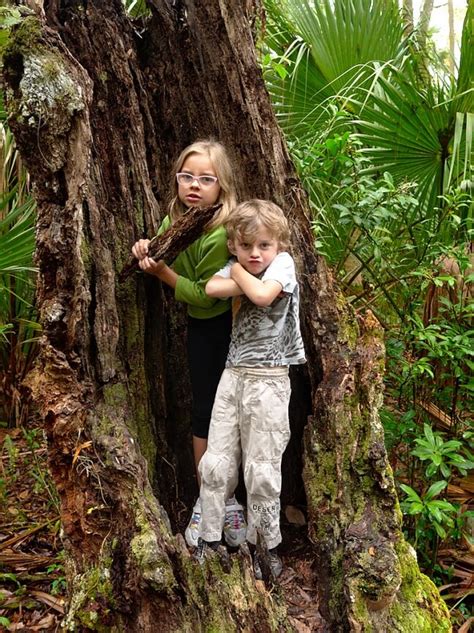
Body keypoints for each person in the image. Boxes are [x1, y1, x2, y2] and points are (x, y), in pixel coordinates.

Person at [131, 140, 247, 549]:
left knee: (233, 417)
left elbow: (204, 294)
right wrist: (146, 249)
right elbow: (159, 250)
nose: (194, 185)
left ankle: (230, 498)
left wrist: (161, 273)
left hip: (233, 331)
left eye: (206, 179)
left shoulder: (226, 231)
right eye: (186, 177)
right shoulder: (178, 219)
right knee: (204, 413)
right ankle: (208, 497)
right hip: (201, 333)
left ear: (223, 186)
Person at [198, 199, 306, 578]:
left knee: (261, 470)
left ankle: (266, 547)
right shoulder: (242, 267)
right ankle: (209, 540)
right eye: (246, 247)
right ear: (234, 245)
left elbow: (262, 296)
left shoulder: (284, 265)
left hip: (270, 382)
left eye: (264, 245)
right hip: (234, 375)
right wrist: (241, 273)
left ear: (278, 244)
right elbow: (211, 287)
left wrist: (240, 274)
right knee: (216, 461)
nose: (255, 253)